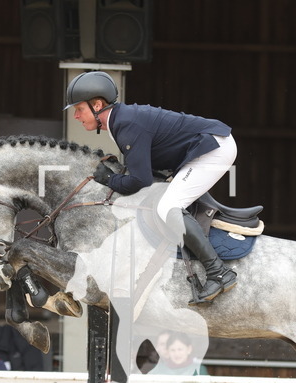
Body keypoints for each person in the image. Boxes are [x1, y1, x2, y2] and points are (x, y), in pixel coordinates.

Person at [63, 70, 237, 305]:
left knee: (167, 206)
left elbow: (139, 181)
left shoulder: (126, 124)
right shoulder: (120, 122)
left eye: (79, 109)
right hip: (204, 147)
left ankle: (218, 272)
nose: (75, 116)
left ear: (97, 104)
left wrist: (109, 180)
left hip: (213, 148)